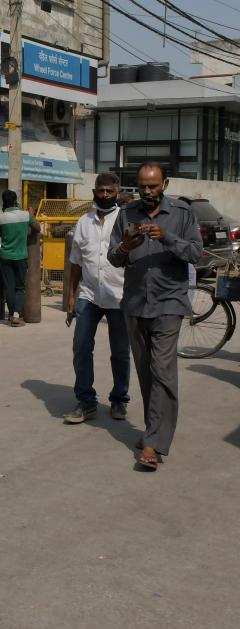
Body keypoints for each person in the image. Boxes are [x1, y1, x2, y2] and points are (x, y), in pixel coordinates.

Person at [107, 162, 202, 470]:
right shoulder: (126, 214)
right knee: (146, 371)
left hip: (169, 303)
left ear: (165, 184)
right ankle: (153, 430)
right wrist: (125, 245)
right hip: (135, 304)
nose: (147, 192)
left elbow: (196, 254)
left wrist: (167, 238)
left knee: (163, 371)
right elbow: (113, 258)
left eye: (153, 186)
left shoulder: (183, 214)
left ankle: (153, 445)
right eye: (142, 186)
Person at [63, 172, 130, 424]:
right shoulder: (84, 222)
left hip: (119, 296)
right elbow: (76, 263)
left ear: (117, 192)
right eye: (100, 191)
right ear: (94, 192)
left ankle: (119, 400)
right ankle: (86, 401)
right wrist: (71, 297)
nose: (104, 195)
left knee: (120, 352)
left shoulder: (125, 221)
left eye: (109, 192)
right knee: (81, 347)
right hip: (89, 295)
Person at [0, 189, 40, 327]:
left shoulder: (0, 217)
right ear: (16, 200)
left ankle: (10, 315)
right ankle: (16, 316)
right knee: (19, 287)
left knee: (9, 287)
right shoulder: (26, 215)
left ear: (4, 202)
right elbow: (37, 228)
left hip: (5, 256)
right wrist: (31, 215)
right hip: (20, 256)